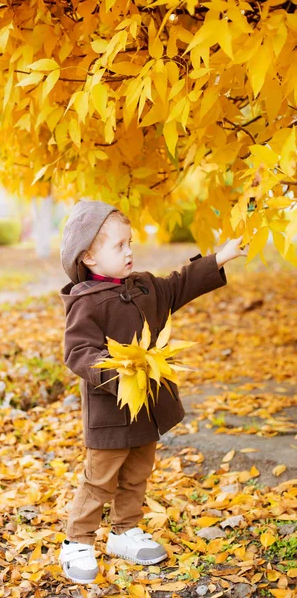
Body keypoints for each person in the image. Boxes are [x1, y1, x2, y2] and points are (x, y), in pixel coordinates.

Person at [59, 199, 248, 584]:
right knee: (100, 478)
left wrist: (219, 259)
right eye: (119, 246)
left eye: (130, 243)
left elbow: (179, 284)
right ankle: (76, 541)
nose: (129, 251)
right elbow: (77, 351)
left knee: (138, 472)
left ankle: (125, 531)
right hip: (110, 408)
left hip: (147, 405)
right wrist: (112, 372)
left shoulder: (144, 286)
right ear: (89, 258)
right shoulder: (85, 303)